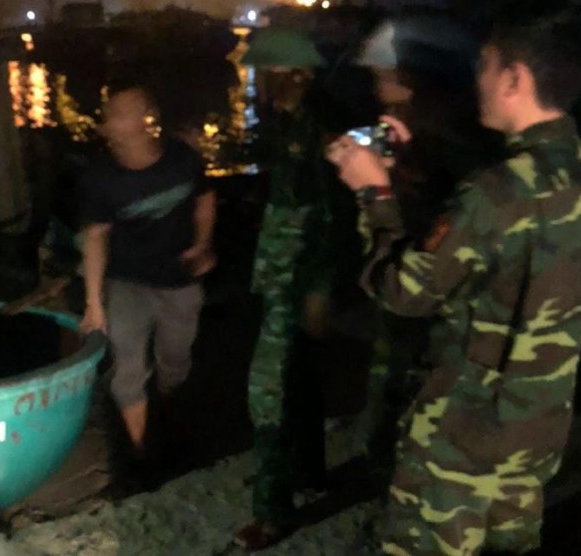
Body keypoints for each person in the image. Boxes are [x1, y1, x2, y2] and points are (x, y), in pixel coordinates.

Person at [327, 3, 581, 554]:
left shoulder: (494, 193)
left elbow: (403, 291)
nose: (478, 80)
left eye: (485, 66)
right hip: (537, 432)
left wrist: (373, 194)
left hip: (463, 442)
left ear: (515, 79)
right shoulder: (573, 169)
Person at [351, 15, 505, 486]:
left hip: (430, 297)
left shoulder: (450, 144)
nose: (376, 87)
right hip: (422, 294)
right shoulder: (429, 131)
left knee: (409, 394)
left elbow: (415, 274)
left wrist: (377, 191)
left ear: (413, 80)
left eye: (385, 76)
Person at [233, 28, 337, 551]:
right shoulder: (291, 123)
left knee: (267, 389)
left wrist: (320, 286)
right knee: (299, 375)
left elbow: (327, 212)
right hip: (285, 275)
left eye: (266, 74)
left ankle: (271, 513)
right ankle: (308, 472)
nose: (259, 83)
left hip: (297, 275)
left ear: (292, 74)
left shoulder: (315, 129)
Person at [78, 82, 216, 457]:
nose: (112, 121)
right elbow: (94, 237)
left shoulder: (182, 159)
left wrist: (203, 243)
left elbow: (205, 199)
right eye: (110, 115)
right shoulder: (100, 178)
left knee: (175, 363)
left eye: (123, 113)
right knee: (127, 373)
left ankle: (170, 413)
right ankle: (141, 453)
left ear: (146, 119)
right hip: (127, 283)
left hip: (178, 280)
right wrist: (94, 303)